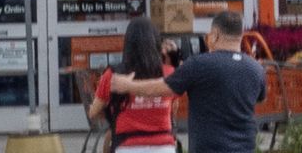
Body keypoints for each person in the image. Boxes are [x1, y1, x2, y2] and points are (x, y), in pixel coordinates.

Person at [111, 11, 265, 153]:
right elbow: (260, 99)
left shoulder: (199, 64)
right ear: (240, 34)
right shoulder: (256, 69)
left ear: (215, 35)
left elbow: (162, 88)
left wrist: (128, 86)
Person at [88, 16, 177, 153]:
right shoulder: (170, 73)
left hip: (126, 145)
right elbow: (173, 110)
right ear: (156, 42)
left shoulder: (113, 74)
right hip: (164, 146)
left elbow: (93, 112)